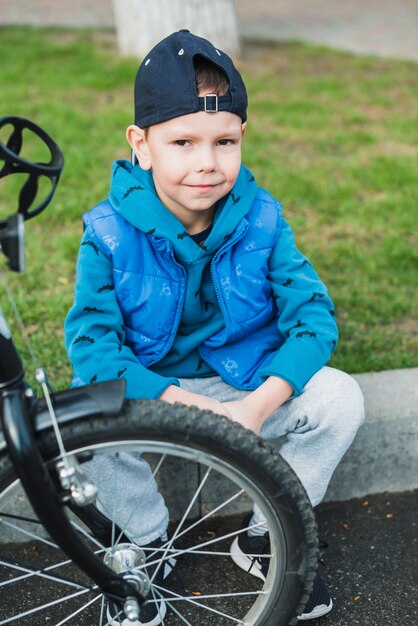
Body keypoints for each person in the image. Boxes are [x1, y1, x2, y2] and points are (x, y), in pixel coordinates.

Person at [65, 29, 364, 625]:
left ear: (242, 140)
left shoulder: (263, 219)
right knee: (77, 429)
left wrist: (260, 404)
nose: (207, 161)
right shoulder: (107, 232)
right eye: (183, 141)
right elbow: (93, 350)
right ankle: (147, 543)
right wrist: (175, 402)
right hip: (155, 391)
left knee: (341, 399)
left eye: (224, 140)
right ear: (142, 145)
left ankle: (266, 535)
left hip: (245, 388)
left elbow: (313, 319)